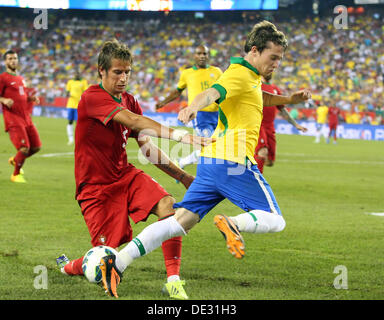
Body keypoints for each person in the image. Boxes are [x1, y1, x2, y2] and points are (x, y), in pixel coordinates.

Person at [98, 21, 311, 299]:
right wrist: (192, 107)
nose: (277, 65)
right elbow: (212, 93)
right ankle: (233, 222)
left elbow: (258, 97)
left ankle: (118, 262)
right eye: (274, 58)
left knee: (178, 222)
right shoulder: (237, 74)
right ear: (256, 51)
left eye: (280, 60)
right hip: (233, 162)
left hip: (211, 162)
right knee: (274, 219)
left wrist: (290, 100)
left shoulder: (250, 77)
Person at [55, 39, 213, 300]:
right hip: (95, 188)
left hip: (124, 175)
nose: (123, 77)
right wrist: (181, 137)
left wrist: (183, 176)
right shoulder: (92, 97)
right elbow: (133, 120)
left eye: (127, 71)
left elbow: (147, 149)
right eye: (117, 71)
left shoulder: (130, 100)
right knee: (106, 254)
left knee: (167, 207)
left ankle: (173, 281)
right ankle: (68, 266)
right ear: (101, 71)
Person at [156, 45, 223, 170]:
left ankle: (181, 162)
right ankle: (207, 178)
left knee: (216, 146)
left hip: (218, 115)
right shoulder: (187, 74)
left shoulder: (217, 71)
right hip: (200, 115)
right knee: (207, 145)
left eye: (205, 53)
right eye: (199, 53)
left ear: (208, 56)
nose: (202, 56)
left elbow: (224, 90)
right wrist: (163, 102)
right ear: (195, 56)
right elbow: (177, 91)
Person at [0, 50, 42, 183]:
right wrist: (4, 100)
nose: (13, 61)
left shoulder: (20, 79)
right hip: (13, 117)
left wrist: (31, 98)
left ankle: (15, 160)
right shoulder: (3, 78)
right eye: (10, 59)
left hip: (26, 117)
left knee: (36, 147)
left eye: (15, 58)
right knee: (24, 148)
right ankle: (15, 175)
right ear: (5, 62)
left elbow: (21, 97)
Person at [255, 74, 308, 173]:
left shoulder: (275, 89)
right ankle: (254, 183)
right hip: (258, 124)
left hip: (269, 126)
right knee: (262, 152)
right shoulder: (256, 85)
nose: (270, 71)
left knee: (269, 161)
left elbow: (282, 109)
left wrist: (296, 124)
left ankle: (248, 164)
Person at [65, 72, 88, 145]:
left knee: (79, 122)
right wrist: (68, 94)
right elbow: (67, 92)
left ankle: (80, 138)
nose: (77, 75)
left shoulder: (83, 82)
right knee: (70, 121)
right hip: (70, 104)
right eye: (75, 74)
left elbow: (85, 92)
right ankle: (71, 139)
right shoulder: (70, 82)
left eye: (78, 74)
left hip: (79, 105)